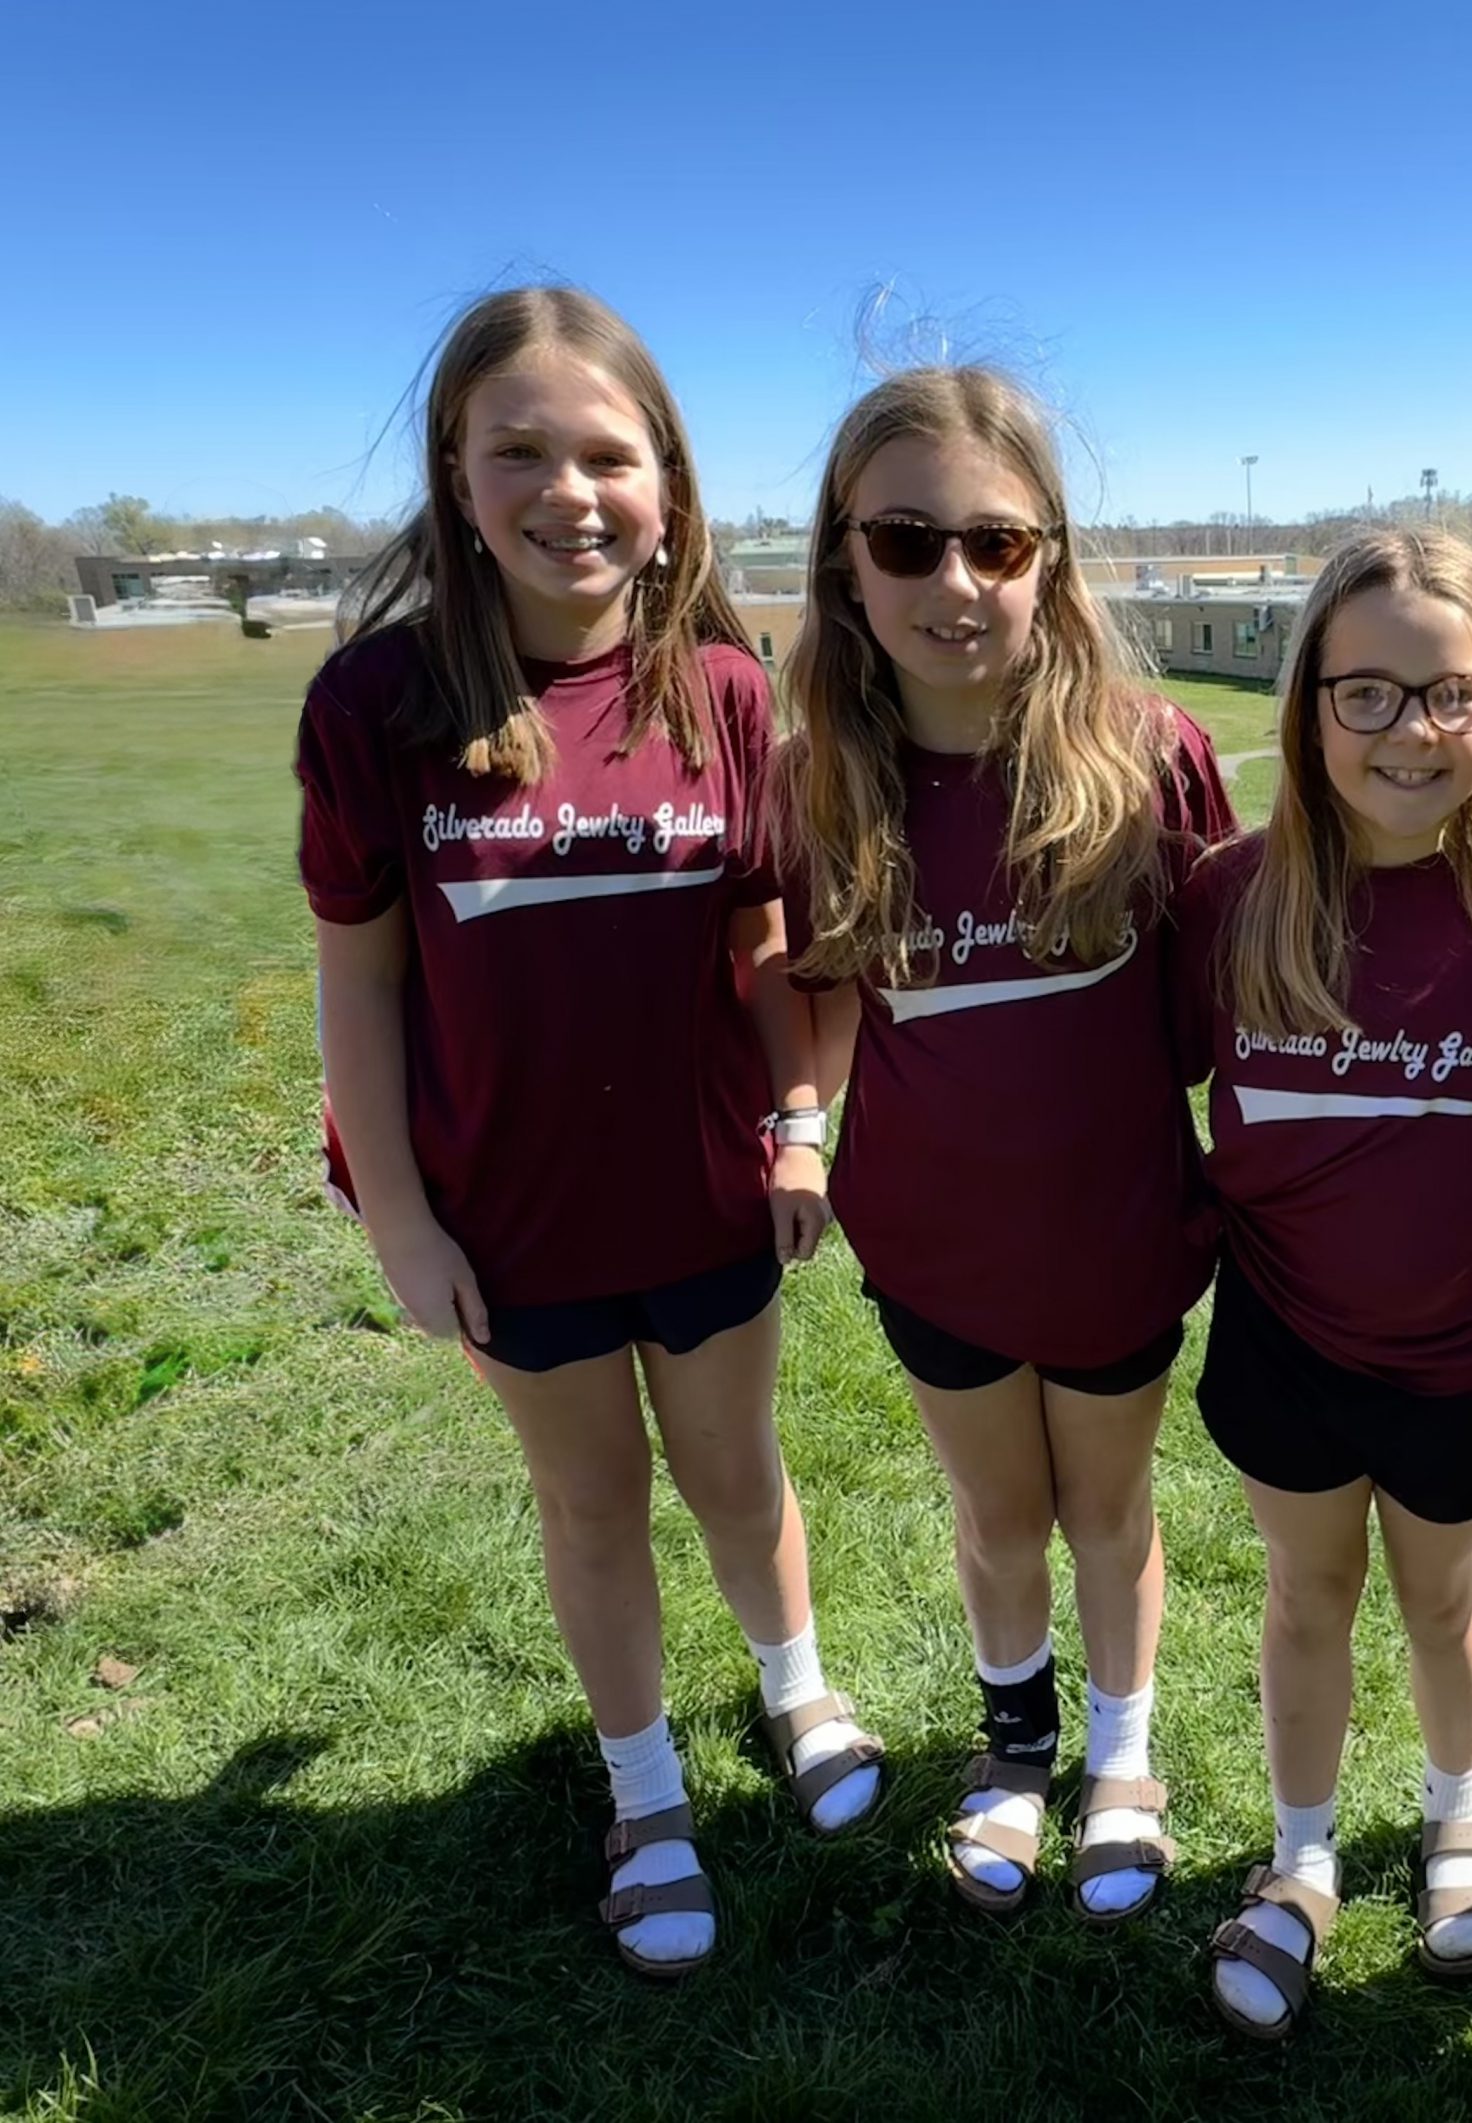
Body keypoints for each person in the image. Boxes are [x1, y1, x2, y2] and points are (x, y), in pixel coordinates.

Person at [297, 286, 878, 1982]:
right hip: (508, 1215)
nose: (571, 491)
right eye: (520, 452)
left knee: (736, 1474)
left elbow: (767, 945)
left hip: (704, 1196)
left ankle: (798, 1692)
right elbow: (362, 983)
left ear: (670, 484)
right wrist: (400, 1215)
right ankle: (645, 1796)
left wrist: (798, 1127)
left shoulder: (722, 692)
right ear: (458, 479)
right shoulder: (374, 705)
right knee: (594, 1504)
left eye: (607, 454)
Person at [774, 367, 1233, 1925]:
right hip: (935, 1244)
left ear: (1053, 554)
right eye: (905, 542)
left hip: (1115, 1233)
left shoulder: (1147, 757)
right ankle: (1017, 1751)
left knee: (1108, 1512)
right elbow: (817, 989)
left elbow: (1212, 1010)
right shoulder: (821, 775)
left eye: (996, 543)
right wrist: (802, 1132)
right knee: (998, 1520)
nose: (952, 584)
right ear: (844, 555)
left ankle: (1123, 1759)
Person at [1174, 528, 1472, 2039]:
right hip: (1285, 1336)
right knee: (1309, 1595)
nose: (1408, 733)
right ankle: (1299, 1863)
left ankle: (1458, 1818)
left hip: (1463, 1348)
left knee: (1442, 1597)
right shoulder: (1233, 897)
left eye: (1448, 694)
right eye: (1364, 694)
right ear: (1308, 704)